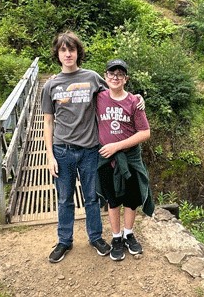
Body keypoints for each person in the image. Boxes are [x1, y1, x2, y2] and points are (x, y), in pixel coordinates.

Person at [42, 31, 111, 263]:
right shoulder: (50, 85)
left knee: (91, 197)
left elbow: (113, 96)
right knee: (64, 199)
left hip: (90, 150)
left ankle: (95, 237)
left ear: (78, 52)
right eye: (63, 50)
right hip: (62, 150)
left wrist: (135, 99)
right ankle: (64, 241)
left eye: (71, 49)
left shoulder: (92, 77)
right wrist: (50, 155)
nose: (68, 53)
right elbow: (48, 122)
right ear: (58, 54)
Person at [95, 58, 155, 262]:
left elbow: (145, 132)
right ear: (105, 76)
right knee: (112, 201)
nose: (115, 77)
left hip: (129, 159)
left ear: (126, 79)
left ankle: (129, 233)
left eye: (120, 74)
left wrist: (117, 146)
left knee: (131, 200)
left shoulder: (134, 102)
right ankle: (116, 238)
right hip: (106, 160)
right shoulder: (99, 98)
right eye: (111, 73)